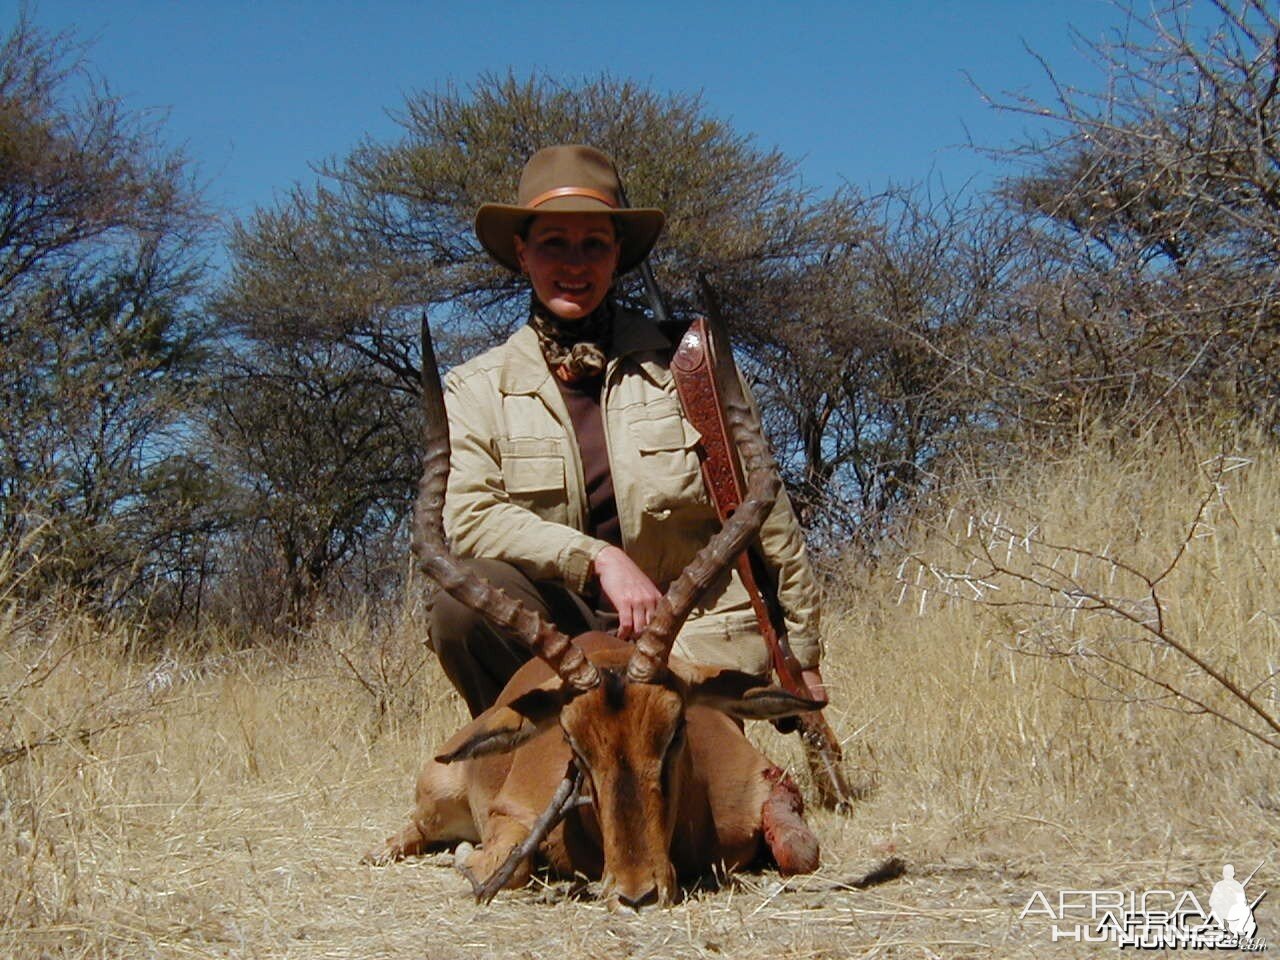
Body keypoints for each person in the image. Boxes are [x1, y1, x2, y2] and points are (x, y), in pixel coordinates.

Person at [429, 144, 826, 716]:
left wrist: (803, 650)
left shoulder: (689, 367)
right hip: (564, 640)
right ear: (522, 255)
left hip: (689, 634)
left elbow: (764, 507)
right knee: (458, 606)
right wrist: (599, 560)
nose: (574, 263)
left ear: (617, 256)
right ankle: (529, 759)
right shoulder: (474, 388)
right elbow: (467, 519)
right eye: (553, 244)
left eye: (594, 245)